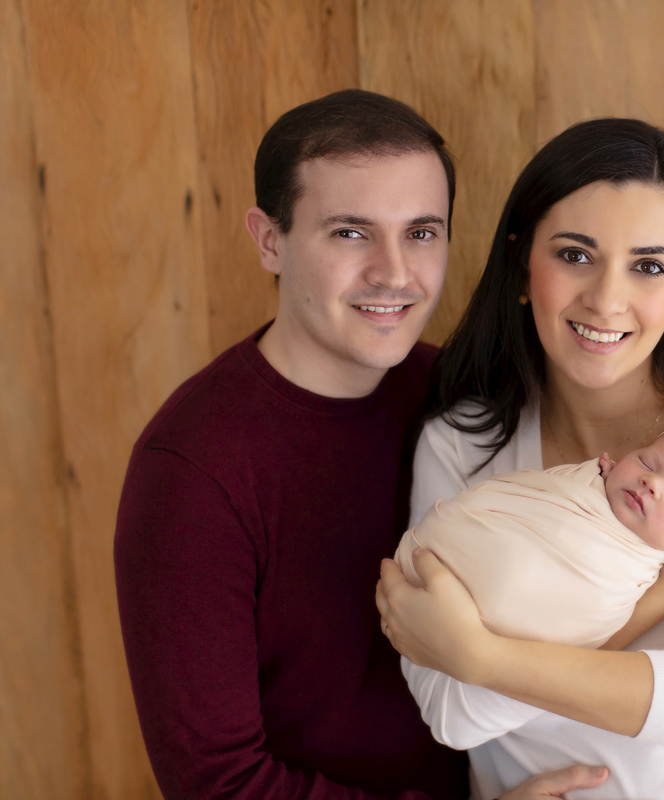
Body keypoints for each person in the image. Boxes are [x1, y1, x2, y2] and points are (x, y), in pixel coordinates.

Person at [114, 89, 596, 800]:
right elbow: (216, 782)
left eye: (422, 232)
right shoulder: (192, 472)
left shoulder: (463, 398)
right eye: (350, 232)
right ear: (269, 240)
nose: (395, 272)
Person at [376, 119, 664, 799]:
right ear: (523, 264)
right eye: (576, 255)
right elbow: (454, 714)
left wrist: (481, 654)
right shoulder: (462, 447)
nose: (607, 299)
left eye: (648, 266)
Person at [396, 426, 664, 650]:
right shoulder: (578, 481)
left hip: (473, 624)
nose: (652, 484)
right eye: (647, 463)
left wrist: (481, 656)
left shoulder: (635, 574)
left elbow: (582, 629)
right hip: (445, 550)